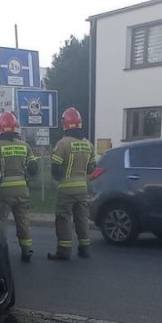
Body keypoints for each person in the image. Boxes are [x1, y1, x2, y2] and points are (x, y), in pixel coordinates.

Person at [0, 111, 37, 262]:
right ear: (16, 128)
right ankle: (26, 249)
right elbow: (34, 168)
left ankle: (1, 251)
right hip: (22, 190)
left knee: (0, 221)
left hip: (2, 192)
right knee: (23, 220)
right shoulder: (25, 146)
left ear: (0, 128)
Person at [48, 107, 96, 260]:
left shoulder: (63, 143)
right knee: (81, 219)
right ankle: (85, 248)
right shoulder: (88, 144)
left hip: (66, 189)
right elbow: (92, 168)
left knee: (64, 219)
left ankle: (64, 251)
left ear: (65, 124)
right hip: (82, 188)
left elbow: (56, 166)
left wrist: (58, 178)